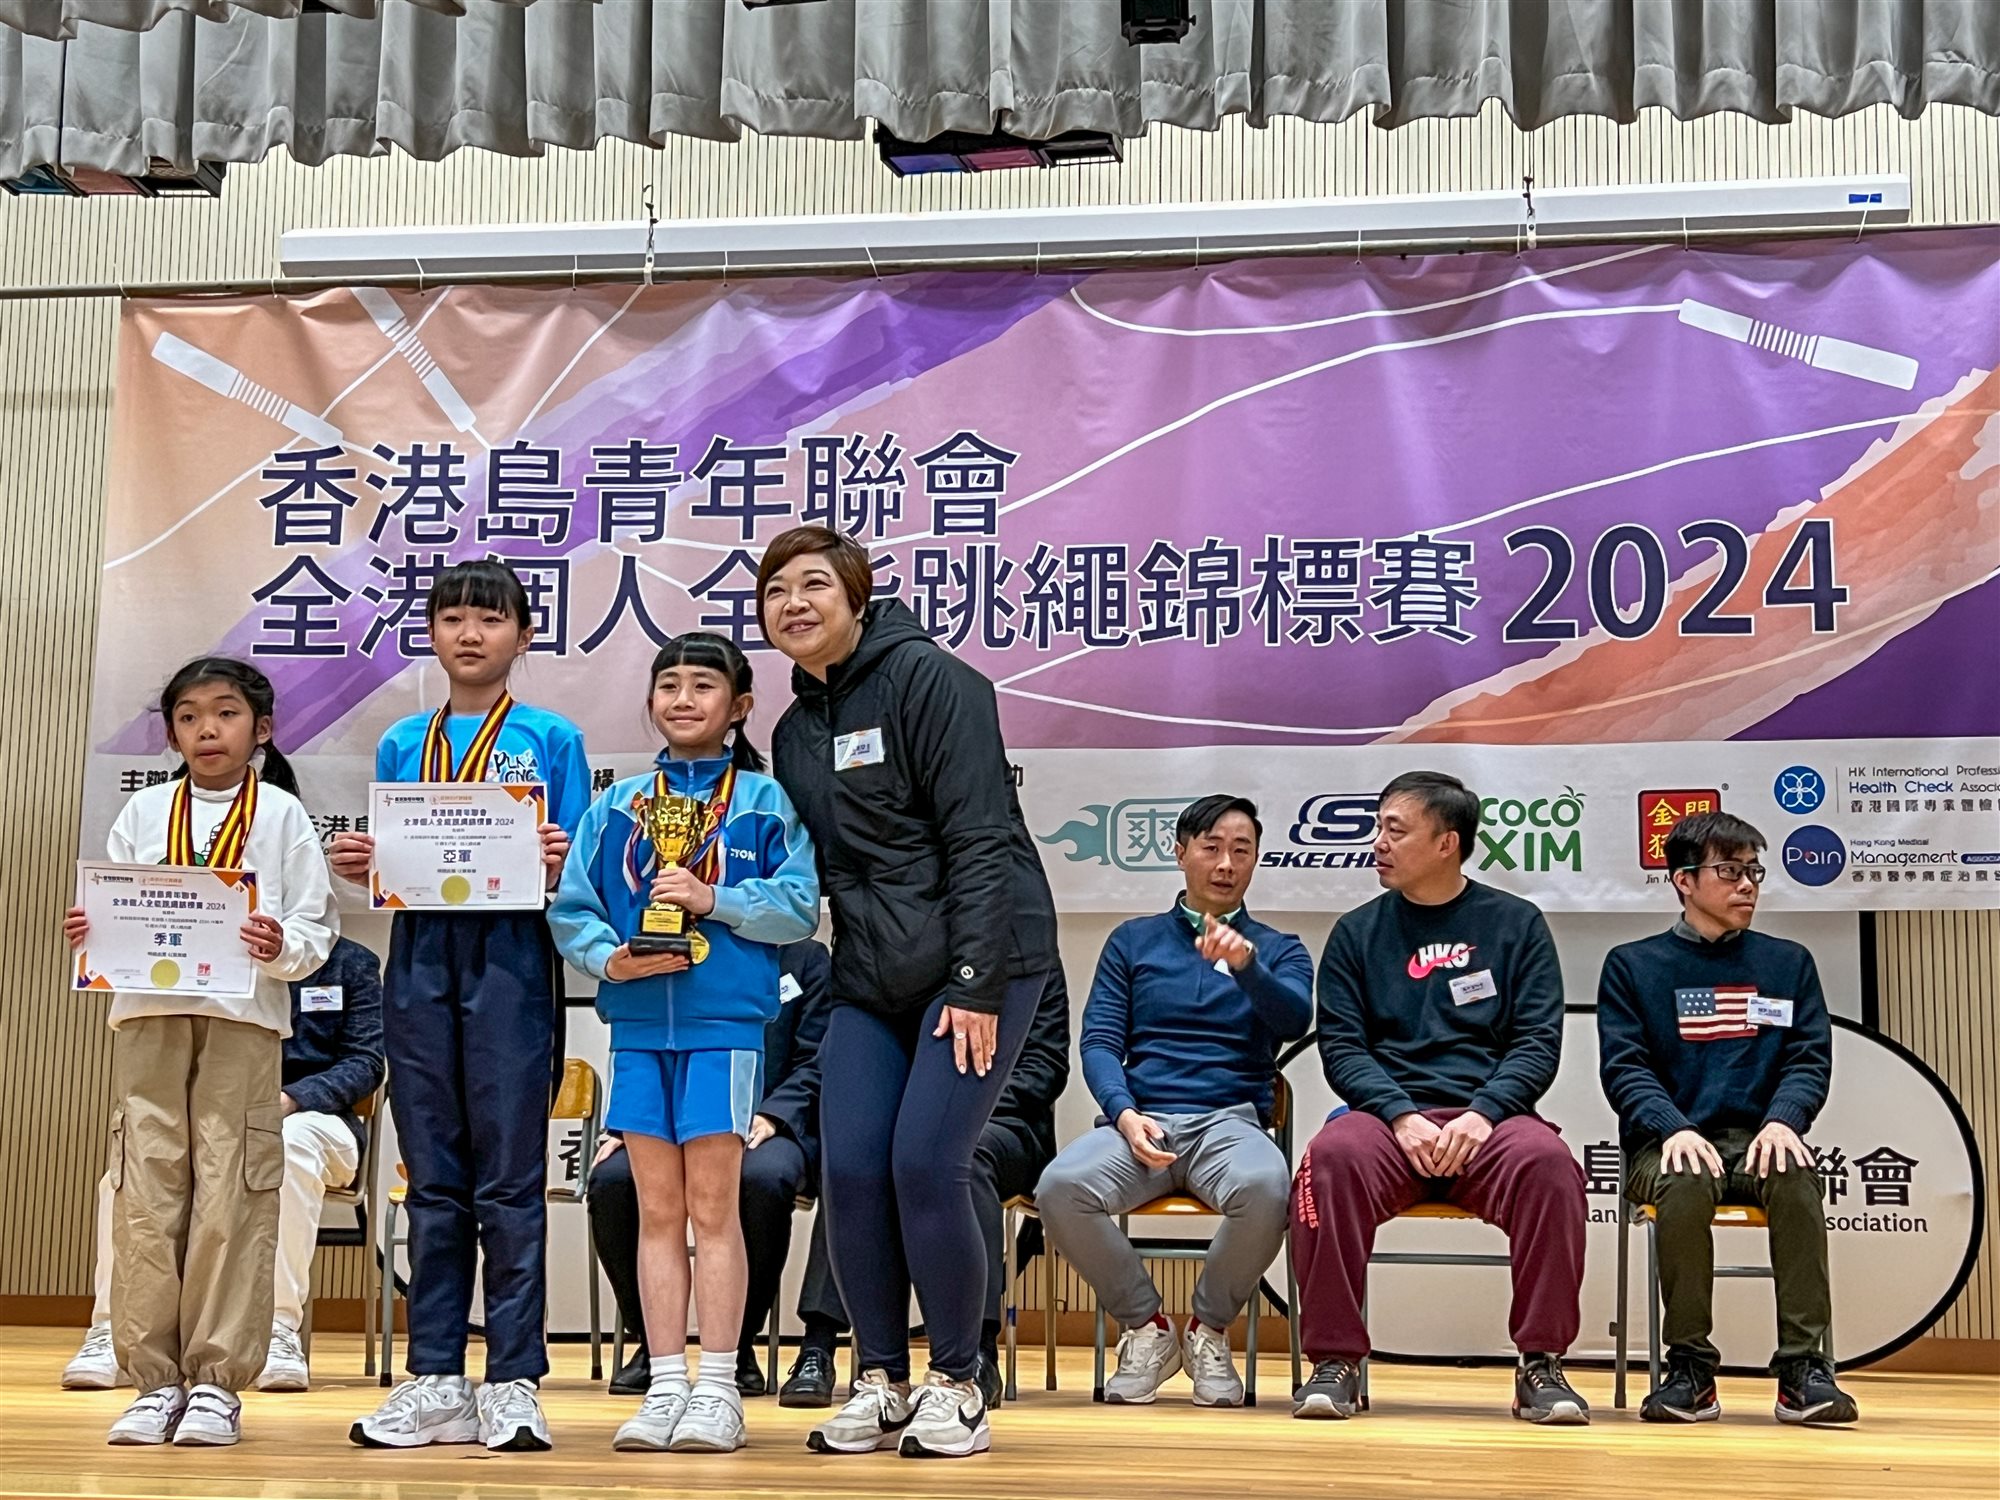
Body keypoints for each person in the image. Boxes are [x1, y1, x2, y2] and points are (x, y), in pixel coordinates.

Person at [758, 524, 1059, 1460]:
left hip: (981, 963)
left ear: (856, 596)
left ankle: (958, 1383)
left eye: (815, 584)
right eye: (775, 591)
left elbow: (980, 839)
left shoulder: (932, 680)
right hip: (869, 973)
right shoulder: (794, 730)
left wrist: (974, 982)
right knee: (850, 1170)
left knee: (927, 1163)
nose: (794, 603)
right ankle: (881, 1379)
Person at [331, 560, 588, 1453]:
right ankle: (436, 1373)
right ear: (431, 634)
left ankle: (514, 1378)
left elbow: (582, 864)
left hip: (512, 957)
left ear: (524, 635)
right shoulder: (405, 741)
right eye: (452, 619)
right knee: (433, 1174)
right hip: (420, 955)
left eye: (489, 618)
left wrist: (560, 856)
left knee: (509, 1177)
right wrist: (364, 863)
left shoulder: (552, 737)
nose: (470, 634)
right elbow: (396, 856)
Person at [551, 632, 818, 1454]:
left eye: (703, 685)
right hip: (636, 1028)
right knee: (656, 1211)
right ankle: (666, 1383)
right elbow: (573, 908)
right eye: (668, 685)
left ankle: (719, 1386)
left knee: (713, 1209)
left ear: (740, 707)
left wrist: (714, 898)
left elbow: (798, 909)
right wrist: (609, 960)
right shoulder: (618, 805)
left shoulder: (764, 804)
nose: (682, 699)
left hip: (724, 1029)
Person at [62, 656, 338, 1446]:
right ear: (173, 732)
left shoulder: (281, 814)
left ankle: (216, 1383)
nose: (206, 730)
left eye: (224, 713)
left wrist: (279, 945)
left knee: (234, 1191)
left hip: (242, 1019)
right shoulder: (144, 811)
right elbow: (114, 904)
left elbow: (315, 930)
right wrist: (91, 932)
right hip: (149, 1016)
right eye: (188, 716)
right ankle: (153, 1381)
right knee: (146, 1192)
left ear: (262, 728)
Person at [1290, 771, 1589, 1425]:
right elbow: (1343, 1049)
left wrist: (1484, 1114)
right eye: (1378, 828)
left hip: (1488, 1121)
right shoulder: (1355, 933)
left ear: (1447, 842)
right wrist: (1400, 1116)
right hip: (1388, 1121)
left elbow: (1536, 1044)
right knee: (1329, 1159)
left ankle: (1540, 1363)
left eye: (1394, 830)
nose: (1378, 843)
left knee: (1550, 1167)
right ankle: (1335, 1360)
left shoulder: (1516, 924)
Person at [1038, 796, 1310, 1408]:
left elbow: (1295, 1020)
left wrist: (1246, 966)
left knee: (1269, 1187)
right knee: (1060, 1188)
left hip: (1230, 1123)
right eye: (1211, 847)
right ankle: (1147, 1327)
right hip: (1143, 1122)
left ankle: (1208, 1330)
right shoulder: (1132, 941)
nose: (1226, 863)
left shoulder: (1278, 947)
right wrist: (1123, 1112)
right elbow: (1100, 1041)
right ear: (1181, 852)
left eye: (1241, 851)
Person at [1597, 810, 1857, 1426]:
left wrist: (1784, 1120)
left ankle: (1803, 1368)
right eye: (1730, 871)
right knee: (1685, 1181)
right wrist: (1675, 1127)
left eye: (1754, 872)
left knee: (1794, 1173)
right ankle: (1690, 1369)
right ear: (1684, 881)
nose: (1747, 885)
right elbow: (1626, 1069)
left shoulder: (1788, 962)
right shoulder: (1633, 965)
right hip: (1668, 1142)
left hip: (1760, 1137)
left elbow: (1808, 1058)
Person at [64, 935, 385, 1396]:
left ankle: (276, 1328)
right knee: (133, 1171)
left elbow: (366, 1062)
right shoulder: (211, 944)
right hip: (218, 1110)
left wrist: (290, 1099)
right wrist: (100, 934)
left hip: (313, 1119)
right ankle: (112, 1328)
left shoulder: (351, 963)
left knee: (281, 1152)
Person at [587, 938, 851, 1408]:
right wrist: (630, 1124)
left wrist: (773, 1114)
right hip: (678, 1117)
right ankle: (653, 1341)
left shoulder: (806, 960)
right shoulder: (682, 943)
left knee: (761, 1179)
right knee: (612, 1179)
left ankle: (736, 1345)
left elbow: (818, 1058)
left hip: (769, 1122)